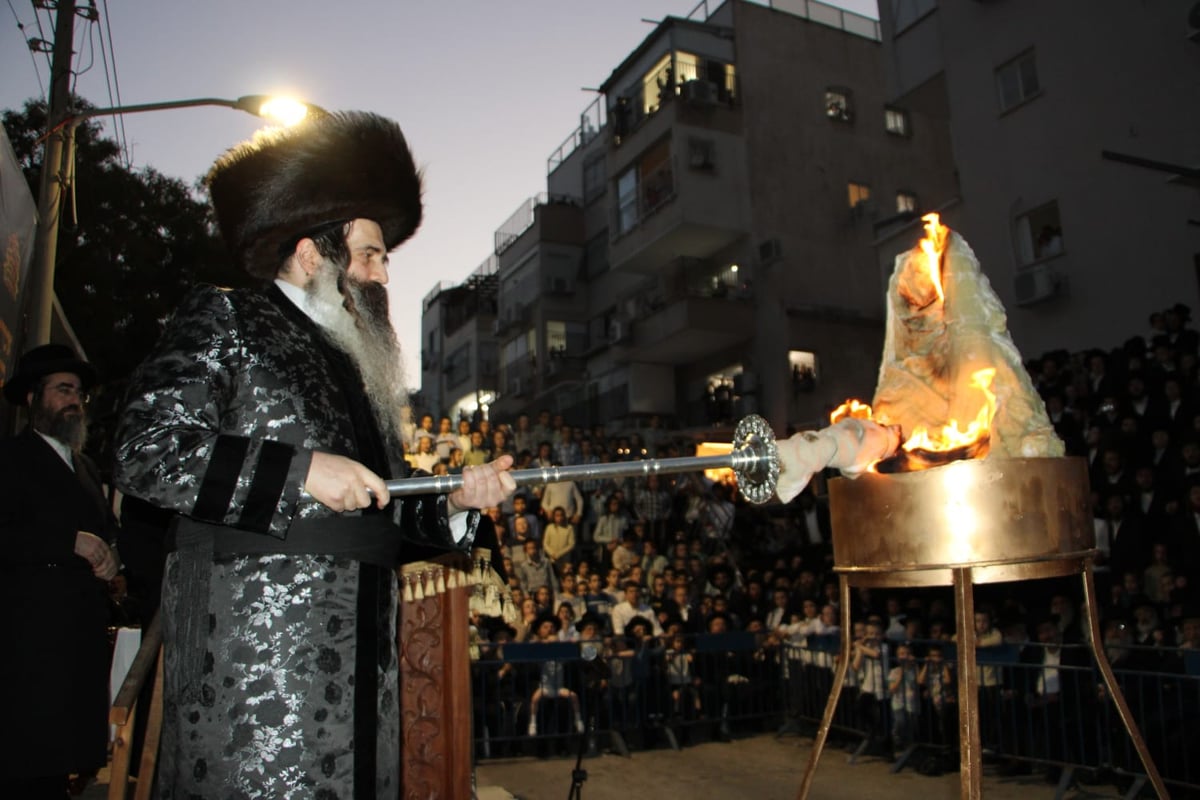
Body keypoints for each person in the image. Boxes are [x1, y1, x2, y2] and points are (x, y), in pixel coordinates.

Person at [111, 112, 517, 800]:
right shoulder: (229, 318)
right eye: (370, 254)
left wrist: (451, 502)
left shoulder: (363, 371)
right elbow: (143, 449)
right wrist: (300, 472)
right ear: (309, 254)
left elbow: (386, 504)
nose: (382, 273)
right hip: (255, 668)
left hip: (368, 670)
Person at [1, 344, 120, 799]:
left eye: (79, 393)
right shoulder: (10, 459)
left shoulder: (88, 468)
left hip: (78, 638)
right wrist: (66, 541)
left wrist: (112, 556)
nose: (74, 400)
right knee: (25, 766)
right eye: (63, 389)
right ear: (32, 398)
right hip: (24, 642)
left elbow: (106, 534)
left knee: (60, 768)